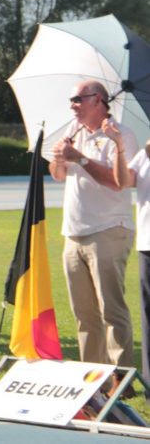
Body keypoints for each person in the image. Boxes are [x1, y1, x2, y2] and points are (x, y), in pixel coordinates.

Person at [50, 81, 136, 372]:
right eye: (72, 99)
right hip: (73, 232)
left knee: (112, 309)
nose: (72, 104)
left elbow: (117, 182)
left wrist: (81, 159)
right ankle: (92, 378)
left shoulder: (120, 135)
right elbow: (59, 176)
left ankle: (120, 378)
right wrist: (60, 158)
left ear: (98, 100)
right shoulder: (72, 132)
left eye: (78, 99)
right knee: (84, 314)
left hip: (108, 229)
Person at [105, 117, 150, 395]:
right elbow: (123, 181)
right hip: (147, 244)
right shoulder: (146, 152)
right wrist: (119, 145)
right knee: (148, 319)